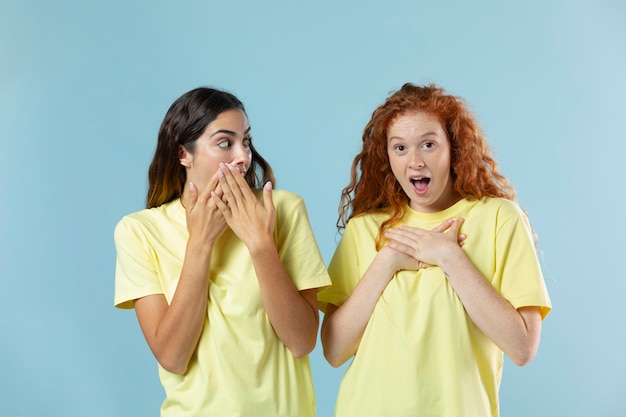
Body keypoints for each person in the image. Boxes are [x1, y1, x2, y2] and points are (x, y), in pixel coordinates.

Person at [318, 83, 551, 417]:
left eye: (428, 144)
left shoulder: (499, 219)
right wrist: (386, 262)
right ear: (387, 156)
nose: (415, 162)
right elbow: (334, 351)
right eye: (400, 148)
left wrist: (449, 257)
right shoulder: (366, 229)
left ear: (453, 148)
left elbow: (523, 346)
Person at [113, 87, 330, 417]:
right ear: (183, 154)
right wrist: (200, 243)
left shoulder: (283, 210)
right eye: (225, 142)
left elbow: (302, 341)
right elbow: (173, 356)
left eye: (246, 141)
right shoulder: (139, 231)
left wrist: (260, 244)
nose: (243, 156)